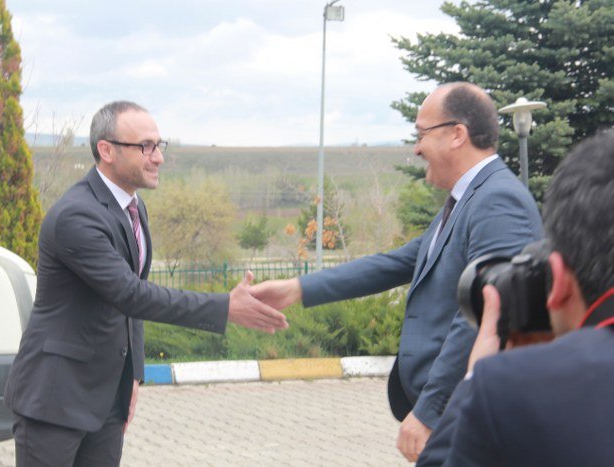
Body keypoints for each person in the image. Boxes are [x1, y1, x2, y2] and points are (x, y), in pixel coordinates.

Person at [251, 82, 543, 461]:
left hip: (464, 415)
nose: (417, 149)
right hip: (452, 416)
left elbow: (481, 315)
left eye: (422, 134)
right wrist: (298, 288)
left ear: (457, 134)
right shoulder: (467, 200)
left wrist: (430, 411)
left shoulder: (498, 200)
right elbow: (395, 263)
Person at [4, 101, 288, 466]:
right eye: (145, 146)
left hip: (107, 401)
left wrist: (133, 375)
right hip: (54, 399)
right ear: (106, 150)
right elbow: (131, 295)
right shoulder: (76, 215)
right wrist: (225, 307)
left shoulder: (134, 209)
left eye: (158, 145)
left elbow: (129, 305)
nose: (158, 157)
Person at [418, 131, 614, 466]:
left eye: (422, 133)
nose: (417, 147)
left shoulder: (512, 388)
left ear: (558, 281)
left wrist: (476, 378)